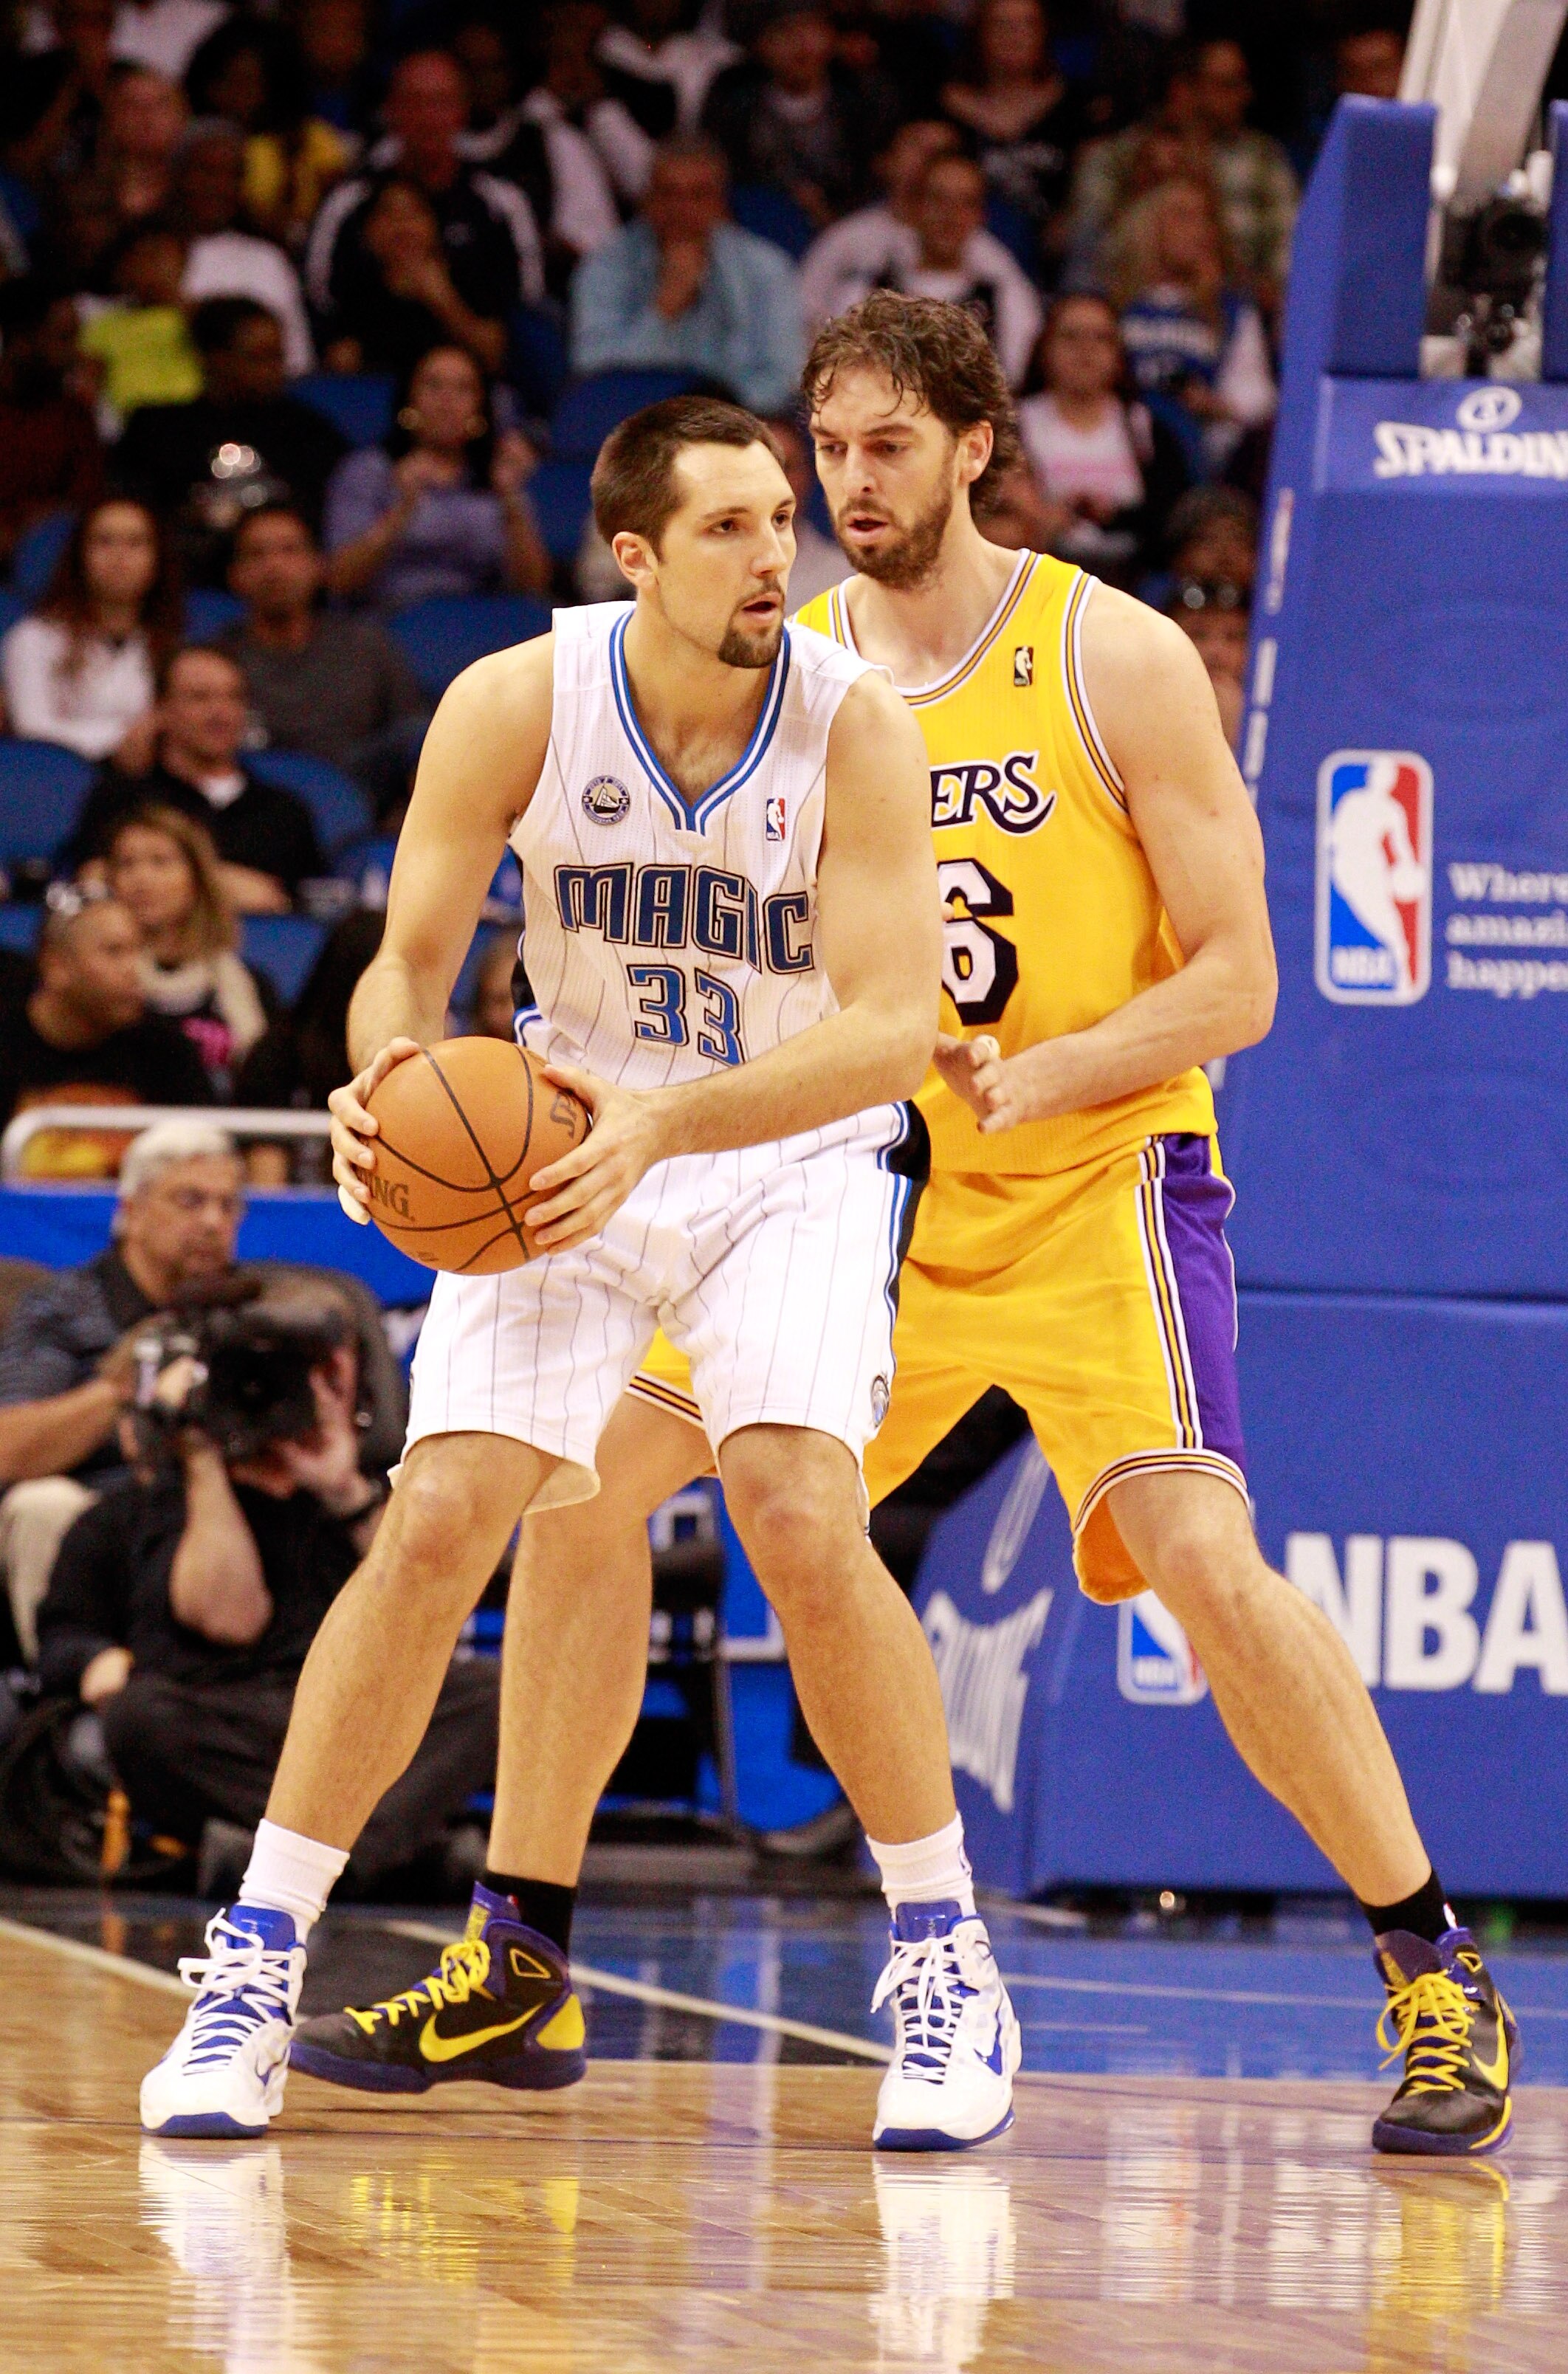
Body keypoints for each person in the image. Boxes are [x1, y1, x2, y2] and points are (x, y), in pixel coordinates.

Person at [441, 293, 1520, 2165]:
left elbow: (1246, 978)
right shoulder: (788, 677)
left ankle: (1430, 1963)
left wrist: (1063, 1064)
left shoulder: (1113, 654)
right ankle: (522, 1947)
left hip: (1098, 1179)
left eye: (880, 447)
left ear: (970, 446)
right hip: (862, 1193)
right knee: (585, 1485)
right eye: (824, 448)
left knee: (1195, 1550)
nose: (844, 483)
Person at [140, 390, 1021, 2159]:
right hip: (557, 1141)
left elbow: (888, 1033)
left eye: (784, 518)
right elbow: (402, 968)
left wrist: (673, 1124)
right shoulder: (517, 700)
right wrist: (387, 1076)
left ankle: (945, 1957)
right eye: (730, 525)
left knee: (788, 1498)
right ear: (633, 551)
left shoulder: (853, 727)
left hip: (783, 1153)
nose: (779, 550)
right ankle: (253, 1959)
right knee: (447, 1513)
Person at [36, 1272, 493, 1891]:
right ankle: (392, 1855)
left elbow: (429, 1605)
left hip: (348, 1716)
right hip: (223, 1720)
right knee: (141, 1718)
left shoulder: (356, 1498)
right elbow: (230, 1618)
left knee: (489, 1691)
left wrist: (340, 1488)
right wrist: (203, 1458)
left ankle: (306, 1863)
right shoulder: (143, 1507)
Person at [0, 1117, 238, 1662]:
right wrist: (117, 1389)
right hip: (98, 1515)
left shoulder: (241, 1311)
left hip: (213, 1510)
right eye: (190, 1200)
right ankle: (73, 1692)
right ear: (131, 1210)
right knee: (41, 1506)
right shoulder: (63, 1308)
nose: (212, 1222)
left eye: (228, 1206)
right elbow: (8, 1449)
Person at [305, 50, 544, 380]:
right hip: (368, 385)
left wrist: (438, 295)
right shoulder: (350, 201)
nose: (428, 117)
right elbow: (323, 316)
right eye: (414, 102)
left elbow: (521, 324)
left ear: (463, 111)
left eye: (442, 102)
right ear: (391, 110)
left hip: (475, 384)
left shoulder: (499, 203)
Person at [63, 643, 323, 912]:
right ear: (161, 708)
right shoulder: (122, 799)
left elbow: (313, 904)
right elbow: (91, 881)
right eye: (201, 698)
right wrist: (220, 884)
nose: (220, 713)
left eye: (233, 698)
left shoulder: (284, 810)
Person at [570, 132, 803, 415]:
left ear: (721, 202)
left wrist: (711, 421)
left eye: (699, 195)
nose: (682, 209)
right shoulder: (604, 267)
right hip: (635, 424)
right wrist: (664, 307)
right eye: (668, 193)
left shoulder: (765, 268)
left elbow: (784, 375)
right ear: (647, 200)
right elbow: (592, 370)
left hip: (738, 425)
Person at [0, 887, 213, 1180]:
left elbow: (205, 1170)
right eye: (114, 952)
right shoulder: (8, 1043)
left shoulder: (167, 1052)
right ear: (56, 965)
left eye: (138, 950)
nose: (134, 969)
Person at [219, 502, 427, 793]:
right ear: (235, 575)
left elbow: (414, 740)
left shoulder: (367, 646)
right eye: (257, 554)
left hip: (364, 804)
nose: (274, 566)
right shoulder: (216, 661)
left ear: (318, 565)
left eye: (289, 551)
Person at [323, 344, 550, 608]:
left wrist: (512, 499)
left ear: (481, 406)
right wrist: (401, 511)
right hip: (383, 626)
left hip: (480, 624)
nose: (447, 400)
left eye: (463, 389)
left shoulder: (498, 475)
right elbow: (339, 580)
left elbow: (533, 587)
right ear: (409, 398)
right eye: (433, 385)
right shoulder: (367, 470)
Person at [112, 296, 348, 541]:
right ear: (214, 359)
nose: (274, 370)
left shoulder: (306, 429)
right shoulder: (156, 430)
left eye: (278, 357)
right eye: (259, 358)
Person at [1014, 291, 1188, 586]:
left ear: (1119, 354)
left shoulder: (1148, 431)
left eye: (1101, 338)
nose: (1086, 350)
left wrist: (1111, 517)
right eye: (1071, 337)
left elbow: (1172, 521)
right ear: (1044, 348)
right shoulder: (1013, 427)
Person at [1111, 173, 1276, 473]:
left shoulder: (1232, 309)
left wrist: (1213, 405)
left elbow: (1257, 400)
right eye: (1183, 217)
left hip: (1197, 449)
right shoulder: (1115, 302)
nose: (1199, 231)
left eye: (1206, 220)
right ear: (1149, 226)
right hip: (1119, 446)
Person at [104, 804, 272, 1093]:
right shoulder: (99, 984)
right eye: (127, 864)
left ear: (197, 878)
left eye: (160, 862)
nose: (141, 879)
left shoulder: (247, 982)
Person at [1, 496, 181, 762]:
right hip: (58, 784)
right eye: (104, 541)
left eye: (136, 543)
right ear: (80, 555)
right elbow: (35, 731)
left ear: (158, 559)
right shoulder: (33, 638)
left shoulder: (175, 643)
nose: (119, 556)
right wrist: (129, 738)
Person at [701, 0, 890, 230]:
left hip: (849, 228)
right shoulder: (733, 102)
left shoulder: (862, 99)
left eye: (811, 29)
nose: (801, 44)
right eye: (785, 31)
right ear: (760, 44)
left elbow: (875, 179)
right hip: (757, 229)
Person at [182, 13, 352, 252]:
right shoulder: (193, 144)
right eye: (226, 82)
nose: (235, 96)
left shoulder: (309, 140)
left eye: (249, 83)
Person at [940, 0, 1084, 281]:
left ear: (1044, 34)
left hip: (1053, 257)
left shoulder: (1074, 109)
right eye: (1002, 25)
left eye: (1026, 25)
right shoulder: (946, 108)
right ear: (980, 33)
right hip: (968, 251)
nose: (1014, 36)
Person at [881, 151, 1042, 390]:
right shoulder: (868, 292)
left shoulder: (1007, 300)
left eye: (966, 203)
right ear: (915, 207)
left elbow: (1016, 390)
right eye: (939, 199)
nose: (951, 215)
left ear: (981, 216)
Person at [175, 118, 316, 376]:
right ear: (179, 175)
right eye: (206, 172)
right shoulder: (148, 254)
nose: (217, 187)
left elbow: (297, 361)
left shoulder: (268, 259)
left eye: (231, 175)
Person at [797, 117, 962, 334]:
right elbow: (803, 317)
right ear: (884, 160)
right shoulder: (845, 239)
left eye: (942, 151)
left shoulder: (979, 250)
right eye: (917, 145)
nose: (929, 157)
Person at [0, 277, 106, 575]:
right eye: (64, 338)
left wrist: (35, 525)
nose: (76, 353)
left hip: (50, 565)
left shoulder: (74, 415)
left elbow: (86, 502)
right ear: (21, 340)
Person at [77, 217, 202, 425]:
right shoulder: (105, 326)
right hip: (130, 429)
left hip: (192, 423)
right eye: (140, 257)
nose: (151, 267)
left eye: (158, 257)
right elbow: (87, 388)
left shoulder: (201, 315)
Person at [1166, 576, 1248, 751]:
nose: (1215, 652)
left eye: (1233, 637)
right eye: (1199, 635)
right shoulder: (1138, 708)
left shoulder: (1283, 719)